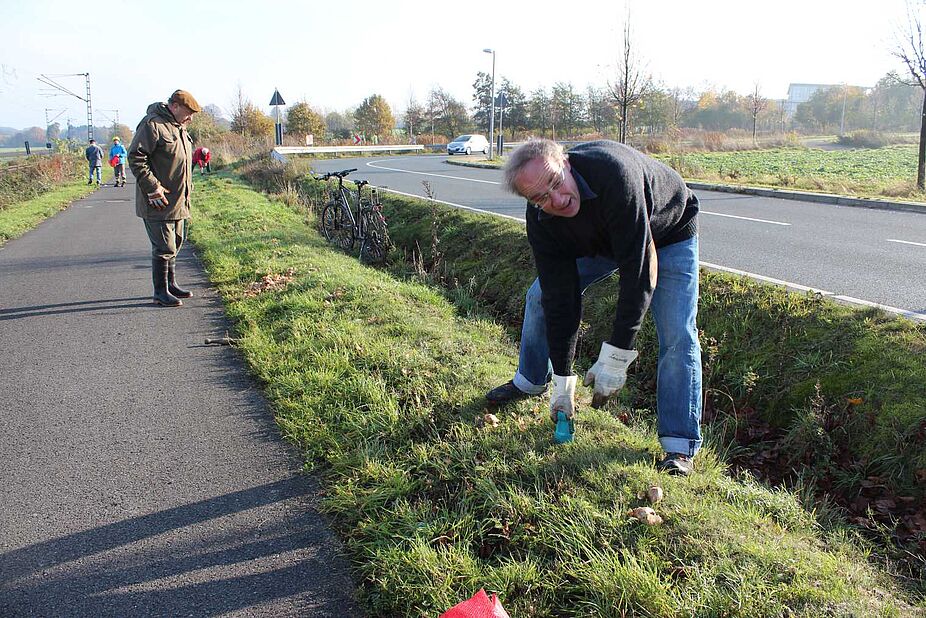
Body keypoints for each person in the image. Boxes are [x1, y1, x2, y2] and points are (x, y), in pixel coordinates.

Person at [486, 138, 702, 476]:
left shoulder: (615, 176)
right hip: (600, 239)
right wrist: (564, 382)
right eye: (541, 197)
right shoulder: (543, 221)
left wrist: (616, 357)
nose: (556, 200)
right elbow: (561, 298)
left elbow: (639, 275)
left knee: (678, 333)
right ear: (530, 201)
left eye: (557, 183)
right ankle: (532, 381)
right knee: (540, 296)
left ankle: (679, 445)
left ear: (567, 164)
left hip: (666, 229)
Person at [127, 89, 201, 307]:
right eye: (188, 112)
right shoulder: (153, 125)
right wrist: (152, 187)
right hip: (157, 200)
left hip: (179, 200)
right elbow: (136, 157)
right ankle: (160, 291)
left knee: (176, 243)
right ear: (174, 106)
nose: (190, 118)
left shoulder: (179, 128)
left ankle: (171, 284)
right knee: (164, 247)